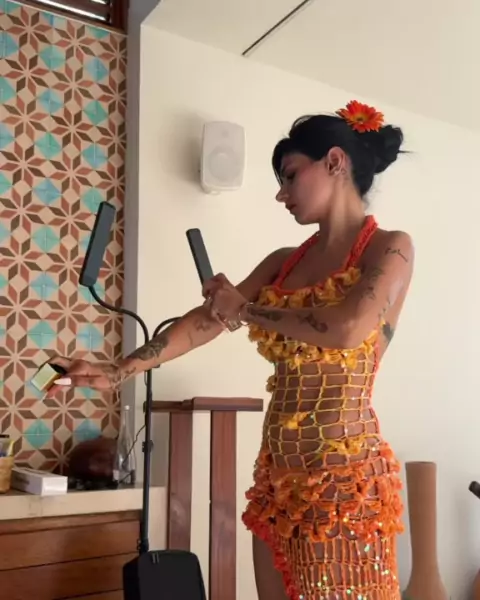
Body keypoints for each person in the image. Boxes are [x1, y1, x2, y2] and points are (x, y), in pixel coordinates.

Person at [51, 100, 414, 600]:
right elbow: (208, 320)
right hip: (276, 482)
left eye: (290, 175)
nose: (281, 194)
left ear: (334, 162)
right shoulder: (284, 262)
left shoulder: (390, 247)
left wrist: (246, 310)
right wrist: (119, 370)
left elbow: (348, 327)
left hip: (343, 484)